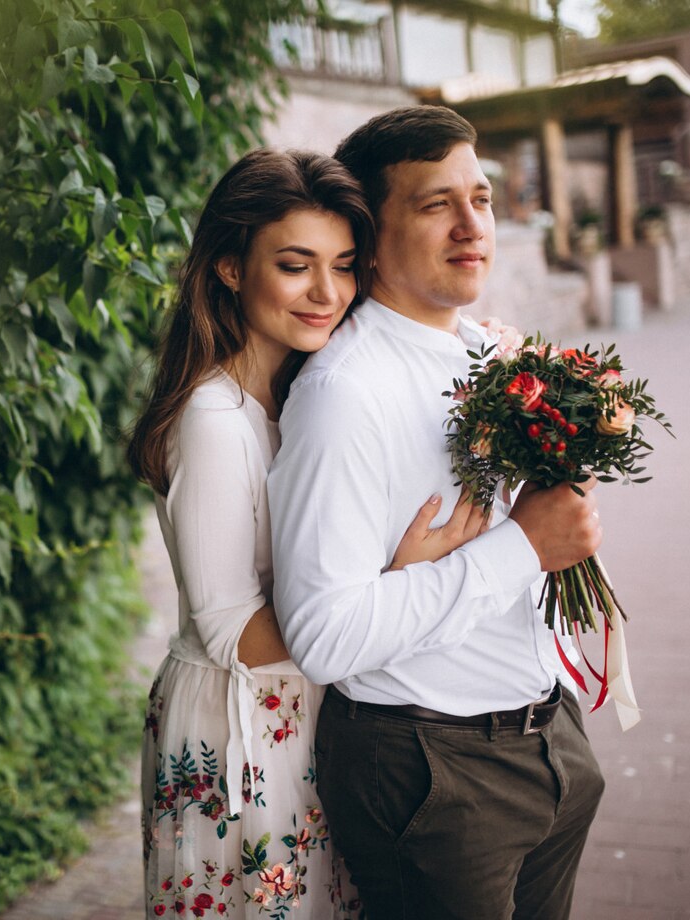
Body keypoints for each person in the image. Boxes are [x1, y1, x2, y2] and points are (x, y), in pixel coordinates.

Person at [128, 147, 491, 918]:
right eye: (296, 266)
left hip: (305, 708)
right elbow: (231, 629)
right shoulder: (213, 421)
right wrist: (393, 583)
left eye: (345, 264)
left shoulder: (297, 385)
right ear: (230, 267)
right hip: (244, 721)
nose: (327, 292)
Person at [267, 106, 607, 919]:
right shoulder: (346, 396)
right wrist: (523, 548)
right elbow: (322, 635)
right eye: (434, 205)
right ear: (370, 238)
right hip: (435, 772)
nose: (471, 225)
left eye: (481, 199)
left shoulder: (487, 353)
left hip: (548, 735)